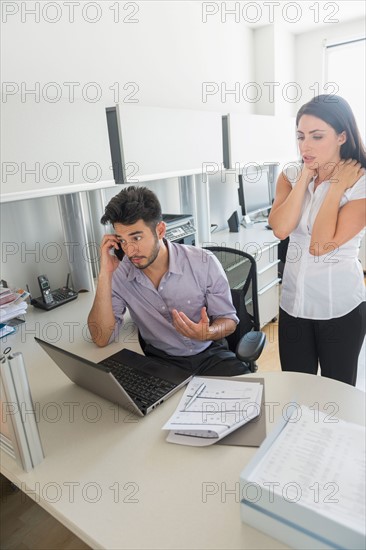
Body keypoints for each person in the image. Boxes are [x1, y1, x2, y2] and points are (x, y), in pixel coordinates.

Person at [88, 185, 250, 376]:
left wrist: (208, 333)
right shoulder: (120, 273)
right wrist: (104, 274)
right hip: (160, 363)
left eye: (137, 237)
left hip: (209, 355)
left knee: (250, 394)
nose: (129, 250)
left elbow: (229, 320)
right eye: (122, 241)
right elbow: (101, 338)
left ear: (160, 230)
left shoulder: (203, 262)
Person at [268, 94, 366, 386]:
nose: (305, 146)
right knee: (297, 392)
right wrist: (305, 179)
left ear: (341, 136)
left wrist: (334, 186)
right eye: (300, 136)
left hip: (338, 309)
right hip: (293, 306)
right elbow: (280, 229)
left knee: (337, 396)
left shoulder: (361, 182)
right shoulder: (291, 174)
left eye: (316, 136)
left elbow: (320, 245)